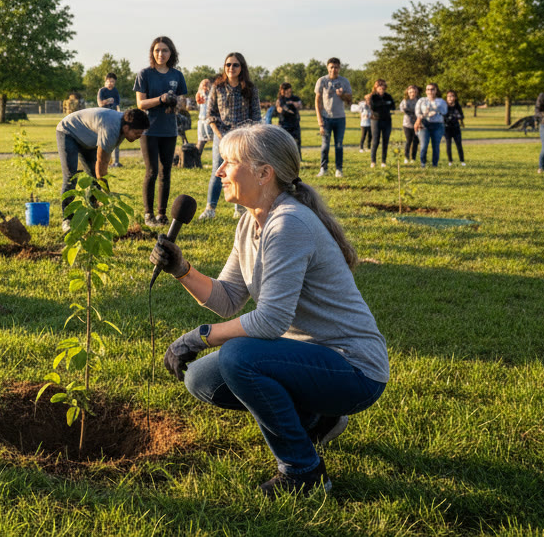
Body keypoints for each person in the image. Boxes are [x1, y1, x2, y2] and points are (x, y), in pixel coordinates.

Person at [150, 123, 388, 498]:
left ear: (264, 173)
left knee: (239, 357)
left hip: (354, 368)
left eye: (229, 162)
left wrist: (199, 336)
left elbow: (270, 321)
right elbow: (228, 297)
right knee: (201, 379)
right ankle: (317, 418)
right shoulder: (250, 220)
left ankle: (303, 471)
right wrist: (182, 269)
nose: (219, 171)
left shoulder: (288, 223)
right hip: (309, 357)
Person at [55, 107, 150, 230]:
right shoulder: (111, 129)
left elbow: (104, 159)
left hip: (88, 138)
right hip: (68, 131)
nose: (139, 136)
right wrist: (107, 193)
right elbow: (101, 165)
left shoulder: (124, 125)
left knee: (94, 178)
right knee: (71, 176)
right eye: (137, 133)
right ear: (127, 128)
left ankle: (91, 214)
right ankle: (67, 220)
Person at [200, 52, 260, 220]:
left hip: (243, 137)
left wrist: (251, 136)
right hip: (222, 135)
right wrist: (220, 136)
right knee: (217, 171)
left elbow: (256, 116)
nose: (231, 68)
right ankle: (210, 208)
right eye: (228, 65)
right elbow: (210, 115)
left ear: (242, 68)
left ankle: (240, 208)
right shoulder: (217, 87)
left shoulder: (250, 88)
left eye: (235, 65)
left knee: (242, 172)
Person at [134, 37, 187, 226]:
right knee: (152, 171)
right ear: (152, 52)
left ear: (171, 53)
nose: (160, 54)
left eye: (164, 50)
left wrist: (176, 103)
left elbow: (183, 102)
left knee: (166, 171)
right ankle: (148, 214)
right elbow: (141, 103)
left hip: (169, 130)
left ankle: (161, 214)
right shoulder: (145, 74)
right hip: (149, 130)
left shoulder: (177, 76)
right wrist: (161, 99)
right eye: (157, 50)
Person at [314, 57, 353, 178]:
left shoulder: (344, 81)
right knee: (325, 145)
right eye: (331, 67)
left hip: (340, 118)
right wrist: (320, 120)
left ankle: (339, 169)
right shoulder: (322, 81)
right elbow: (317, 101)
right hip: (326, 118)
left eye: (336, 67)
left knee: (339, 144)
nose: (334, 69)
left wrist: (342, 95)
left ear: (339, 68)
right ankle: (323, 168)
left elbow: (350, 101)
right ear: (327, 67)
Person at [415, 83, 447, 168]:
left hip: (437, 125)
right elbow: (417, 113)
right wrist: (425, 114)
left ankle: (434, 164)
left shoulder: (441, 101)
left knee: (435, 145)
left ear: (436, 90)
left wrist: (435, 110)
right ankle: (423, 163)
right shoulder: (421, 100)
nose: (430, 91)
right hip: (424, 125)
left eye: (432, 89)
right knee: (423, 145)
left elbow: (444, 112)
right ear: (426, 91)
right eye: (428, 89)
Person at [366, 79, 396, 168]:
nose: (381, 87)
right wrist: (385, 104)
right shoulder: (373, 96)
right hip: (376, 120)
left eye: (383, 85)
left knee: (385, 141)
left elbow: (393, 106)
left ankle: (383, 161)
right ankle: (373, 161)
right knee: (375, 141)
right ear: (376, 87)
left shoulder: (388, 96)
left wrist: (383, 104)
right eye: (379, 86)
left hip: (387, 120)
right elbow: (373, 107)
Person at [97, 72, 123, 166]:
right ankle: (103, 161)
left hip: (114, 117)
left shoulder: (115, 91)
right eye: (108, 81)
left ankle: (116, 162)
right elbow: (100, 104)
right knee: (104, 141)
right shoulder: (102, 91)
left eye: (112, 81)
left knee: (116, 139)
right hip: (103, 118)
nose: (110, 83)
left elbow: (118, 104)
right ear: (105, 81)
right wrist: (108, 100)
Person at [275, 83, 303, 155]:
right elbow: (279, 109)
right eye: (283, 89)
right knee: (283, 143)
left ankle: (298, 158)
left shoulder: (295, 98)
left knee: (296, 142)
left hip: (294, 124)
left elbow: (300, 105)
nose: (285, 91)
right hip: (283, 124)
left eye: (287, 89)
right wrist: (285, 109)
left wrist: (293, 103)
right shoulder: (280, 99)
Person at [443, 90, 466, 166]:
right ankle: (450, 161)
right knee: (448, 145)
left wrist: (458, 116)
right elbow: (442, 116)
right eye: (448, 96)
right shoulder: (444, 106)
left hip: (456, 127)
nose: (450, 98)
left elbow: (462, 116)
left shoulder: (457, 106)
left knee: (459, 144)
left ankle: (462, 161)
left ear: (455, 97)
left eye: (452, 96)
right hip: (447, 128)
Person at [399, 85, 419, 163]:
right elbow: (402, 109)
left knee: (416, 141)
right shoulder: (405, 101)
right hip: (407, 124)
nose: (412, 93)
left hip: (417, 123)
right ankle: (406, 157)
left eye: (414, 92)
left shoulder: (419, 100)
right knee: (408, 140)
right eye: (410, 92)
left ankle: (413, 158)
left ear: (416, 92)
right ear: (408, 92)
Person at [195, 78, 213, 153]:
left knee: (213, 138)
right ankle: (197, 157)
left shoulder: (212, 93)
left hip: (210, 119)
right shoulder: (199, 94)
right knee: (201, 139)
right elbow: (199, 102)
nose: (204, 86)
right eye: (203, 84)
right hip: (202, 119)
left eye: (206, 84)